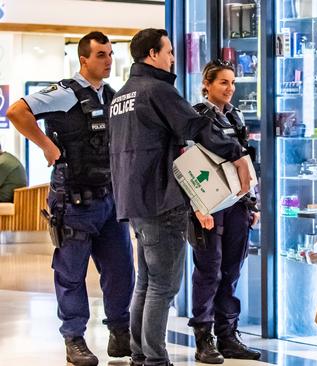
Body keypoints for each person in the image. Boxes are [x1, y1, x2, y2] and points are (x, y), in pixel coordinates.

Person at [108, 28, 251, 366]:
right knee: (163, 286)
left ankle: (141, 355)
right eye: (169, 51)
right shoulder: (158, 90)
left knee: (145, 282)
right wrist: (237, 154)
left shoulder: (122, 95)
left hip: (134, 201)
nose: (173, 57)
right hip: (161, 199)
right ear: (152, 54)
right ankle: (156, 358)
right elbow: (195, 127)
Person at [6, 31, 134, 366]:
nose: (108, 61)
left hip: (110, 198)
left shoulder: (110, 95)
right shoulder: (64, 93)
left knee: (121, 269)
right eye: (101, 55)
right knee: (71, 272)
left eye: (109, 54)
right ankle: (74, 339)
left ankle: (120, 335)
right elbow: (17, 112)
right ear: (84, 59)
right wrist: (46, 146)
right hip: (74, 200)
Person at [187, 59, 261, 363]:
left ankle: (228, 335)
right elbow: (189, 166)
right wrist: (198, 207)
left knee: (231, 271)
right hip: (210, 207)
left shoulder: (236, 115)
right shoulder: (196, 117)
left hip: (237, 205)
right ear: (207, 84)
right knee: (209, 271)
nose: (230, 88)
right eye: (223, 83)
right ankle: (204, 338)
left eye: (233, 82)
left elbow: (246, 161)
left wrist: (252, 203)